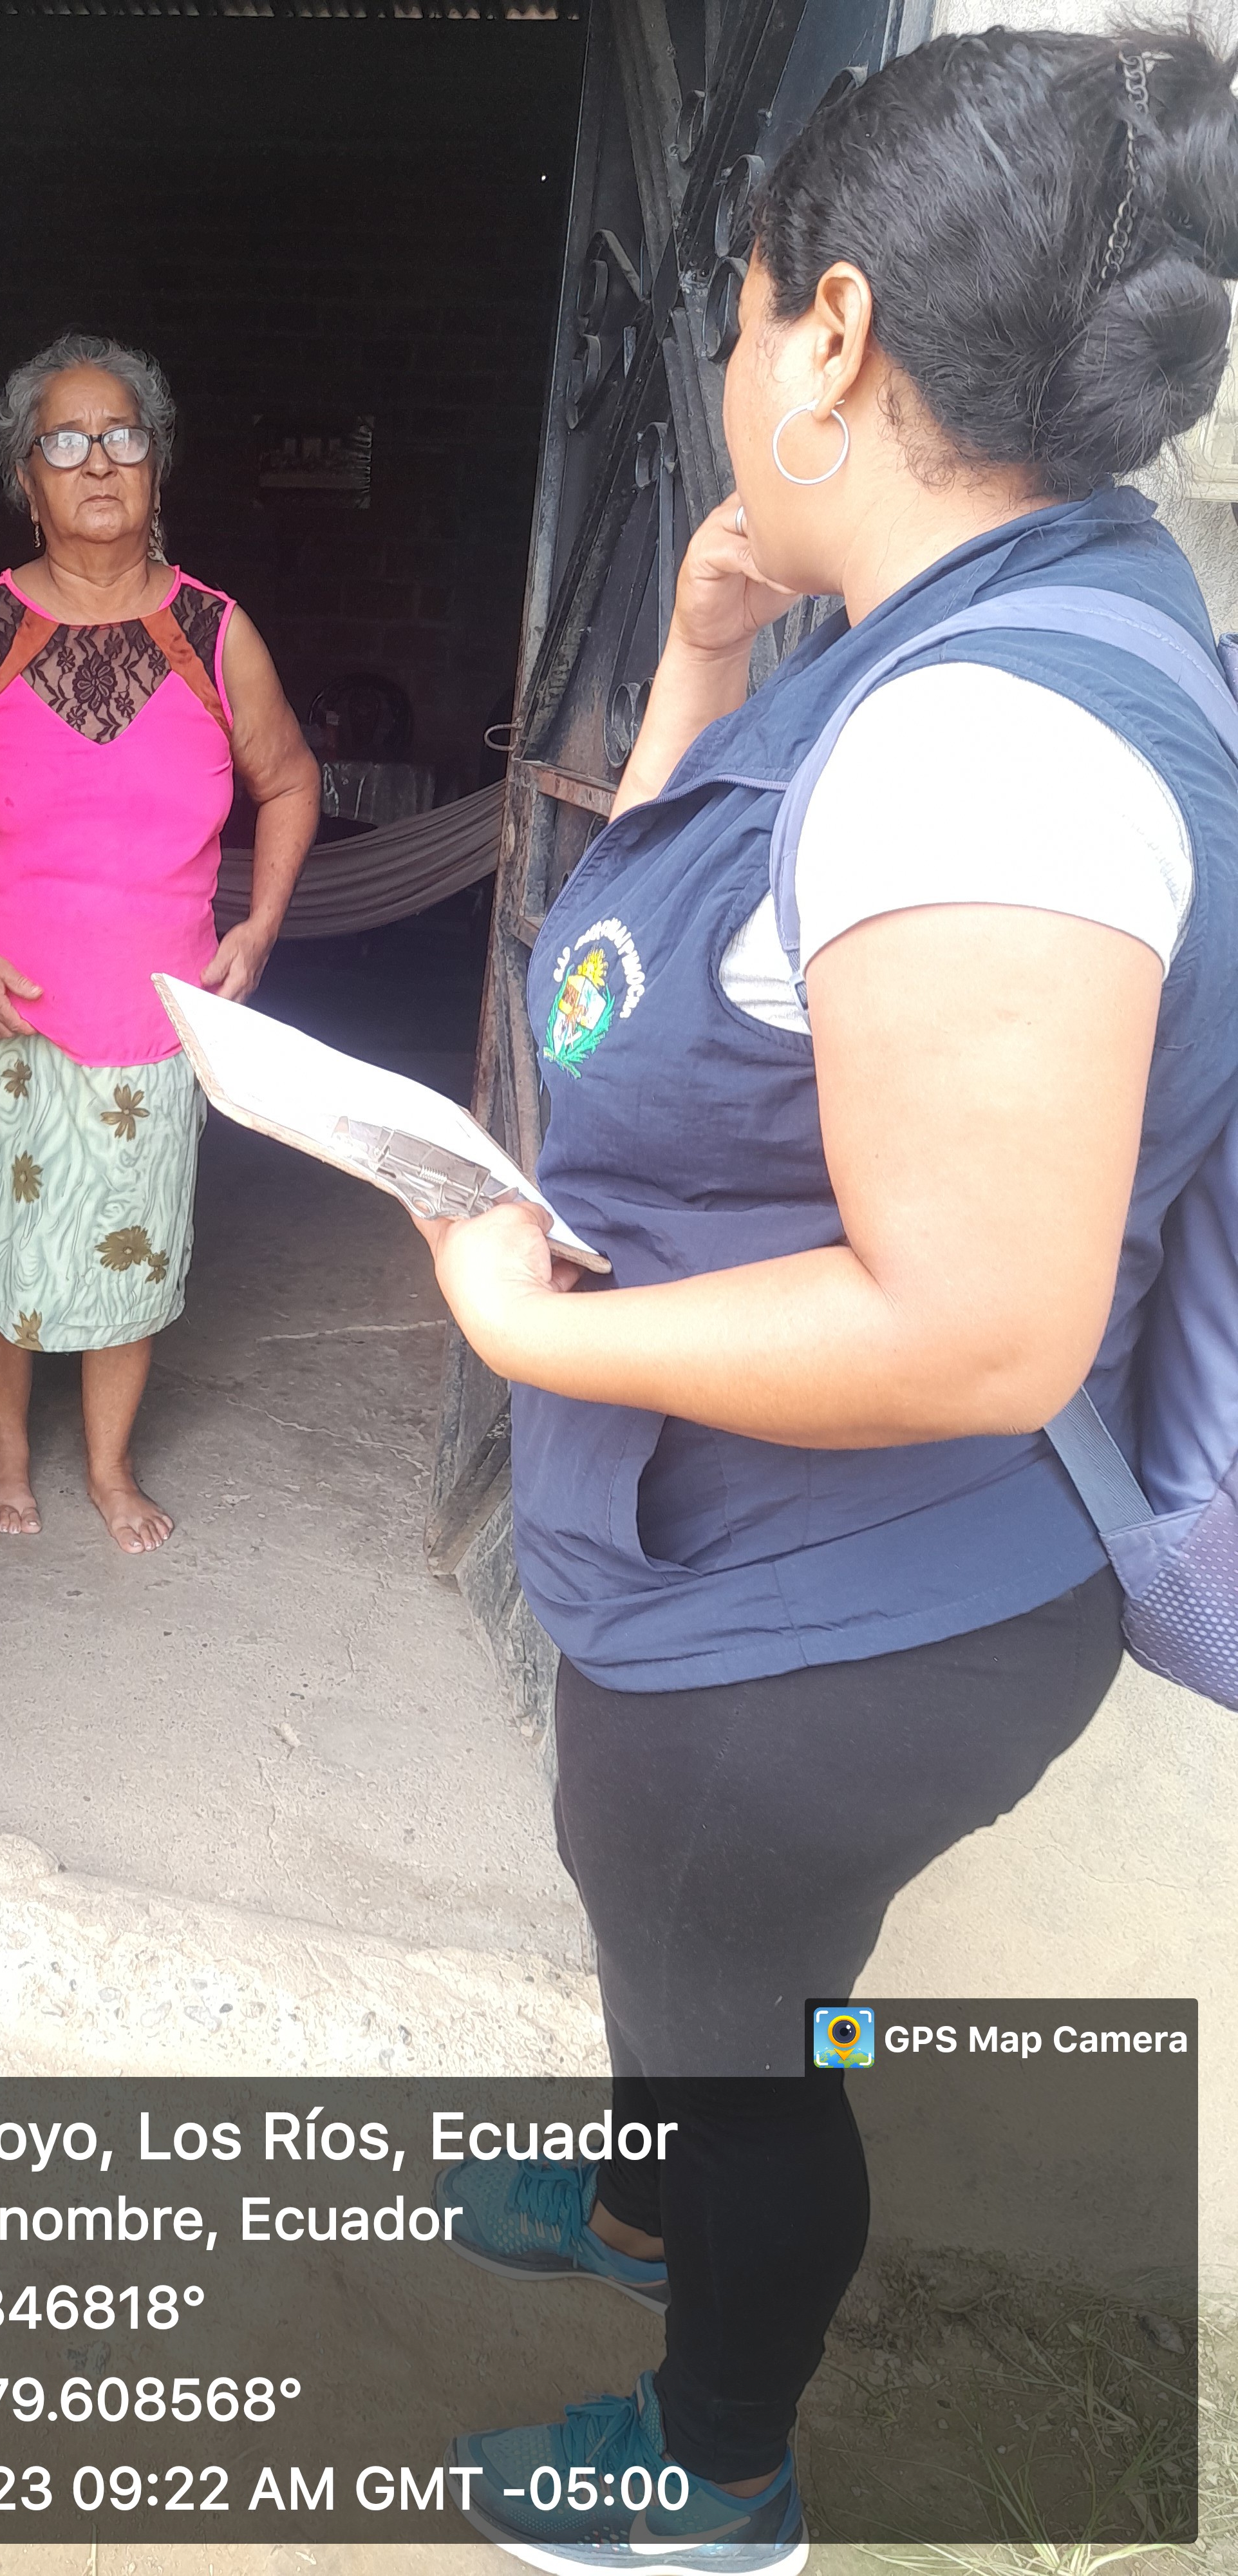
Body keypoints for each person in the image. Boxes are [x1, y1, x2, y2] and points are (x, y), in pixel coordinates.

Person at [417, 29, 1238, 2571]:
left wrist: (528, 1335)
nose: (732, 370)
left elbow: (975, 1324)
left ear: (838, 331)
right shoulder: (988, 629)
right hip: (811, 1585)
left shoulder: (980, 753)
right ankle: (650, 2189)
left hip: (822, 1626)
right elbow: (663, 957)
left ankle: (718, 2465)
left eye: (746, 315)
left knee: (751, 2043)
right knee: (721, 1983)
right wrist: (694, 644)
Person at [0, 334, 317, 1551]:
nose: (98, 462)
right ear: (29, 480)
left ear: (156, 463)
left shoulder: (214, 633)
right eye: (64, 443)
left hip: (148, 1018)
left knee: (132, 1247)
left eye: (122, 435)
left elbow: (289, 781)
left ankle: (112, 1468)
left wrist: (261, 927)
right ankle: (8, 1450)